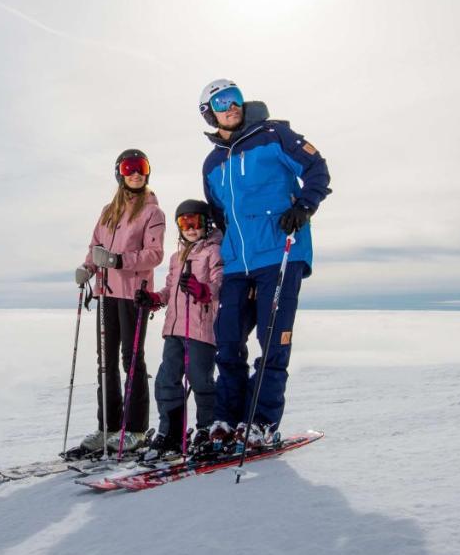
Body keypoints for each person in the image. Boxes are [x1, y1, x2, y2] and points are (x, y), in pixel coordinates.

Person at [197, 79, 332, 450]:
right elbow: (221, 214)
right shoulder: (211, 164)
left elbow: (317, 168)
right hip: (238, 263)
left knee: (272, 340)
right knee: (227, 341)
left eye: (235, 98)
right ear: (209, 113)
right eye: (222, 102)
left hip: (280, 252)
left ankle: (262, 422)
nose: (231, 106)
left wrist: (304, 206)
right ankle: (227, 419)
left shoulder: (275, 135)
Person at [72, 149, 165, 454]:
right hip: (106, 293)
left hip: (133, 294)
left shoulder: (152, 213)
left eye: (141, 168)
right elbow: (95, 247)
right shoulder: (108, 211)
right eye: (129, 168)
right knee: (106, 362)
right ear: (119, 173)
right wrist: (88, 268)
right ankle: (109, 427)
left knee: (132, 360)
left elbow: (154, 255)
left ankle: (135, 430)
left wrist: (117, 259)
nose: (136, 173)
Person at [135, 199, 224, 459]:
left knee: (200, 380)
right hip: (174, 329)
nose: (190, 227)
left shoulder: (214, 252)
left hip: (200, 329)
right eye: (184, 222)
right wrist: (154, 299)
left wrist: (203, 290)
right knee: (166, 380)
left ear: (207, 224)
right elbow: (169, 289)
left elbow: (219, 285)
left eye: (195, 222)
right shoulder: (177, 257)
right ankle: (171, 432)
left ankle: (208, 430)